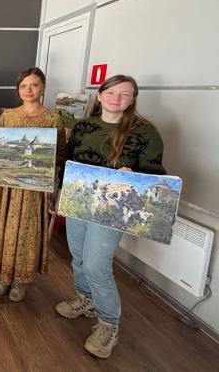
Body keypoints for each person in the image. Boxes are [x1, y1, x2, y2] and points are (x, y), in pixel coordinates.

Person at [55, 75, 166, 359]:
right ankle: (86, 299)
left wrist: (135, 175)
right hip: (79, 201)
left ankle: (108, 323)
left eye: (125, 94)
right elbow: (68, 164)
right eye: (112, 92)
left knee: (96, 265)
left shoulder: (145, 132)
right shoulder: (83, 126)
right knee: (78, 256)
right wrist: (61, 194)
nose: (117, 98)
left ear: (133, 99)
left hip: (112, 209)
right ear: (100, 95)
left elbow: (157, 176)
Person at [0, 67, 67, 301]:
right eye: (23, 85)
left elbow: (59, 156)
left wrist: (41, 163)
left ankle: (19, 279)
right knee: (4, 226)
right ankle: (4, 275)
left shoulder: (53, 120)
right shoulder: (8, 116)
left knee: (25, 231)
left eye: (34, 84)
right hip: (3, 186)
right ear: (18, 89)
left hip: (32, 189)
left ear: (43, 87)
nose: (28, 90)